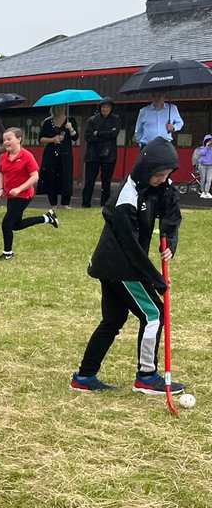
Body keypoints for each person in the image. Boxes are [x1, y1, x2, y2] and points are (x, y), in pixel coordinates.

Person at [71, 137, 184, 396]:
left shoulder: (161, 185)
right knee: (154, 313)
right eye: (158, 175)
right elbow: (131, 248)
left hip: (122, 264)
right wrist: (157, 280)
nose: (162, 180)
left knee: (113, 320)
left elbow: (172, 212)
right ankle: (147, 376)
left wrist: (170, 241)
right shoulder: (126, 198)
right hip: (118, 264)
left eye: (166, 175)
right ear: (146, 169)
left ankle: (84, 377)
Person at [0, 128, 58, 261]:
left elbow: (35, 177)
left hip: (24, 195)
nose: (6, 142)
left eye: (9, 139)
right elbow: (1, 173)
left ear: (19, 139)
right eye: (4, 140)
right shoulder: (3, 157)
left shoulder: (27, 156)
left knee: (6, 223)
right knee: (16, 225)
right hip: (11, 195)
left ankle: (8, 253)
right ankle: (47, 218)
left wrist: (19, 189)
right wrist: (0, 189)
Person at [82, 98, 122, 208]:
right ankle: (86, 203)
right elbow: (88, 136)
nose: (105, 109)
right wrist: (105, 135)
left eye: (107, 107)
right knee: (90, 180)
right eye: (103, 107)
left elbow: (114, 134)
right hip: (93, 153)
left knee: (106, 181)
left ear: (111, 108)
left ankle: (105, 204)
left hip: (109, 154)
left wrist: (98, 133)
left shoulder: (116, 119)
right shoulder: (92, 120)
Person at [39, 105, 79, 211]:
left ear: (65, 108)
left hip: (65, 154)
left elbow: (75, 137)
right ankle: (53, 204)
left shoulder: (70, 120)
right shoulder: (48, 122)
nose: (59, 109)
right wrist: (52, 140)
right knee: (51, 177)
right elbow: (41, 139)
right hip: (51, 154)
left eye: (62, 107)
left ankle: (65, 203)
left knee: (66, 177)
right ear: (54, 109)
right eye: (57, 107)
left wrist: (70, 129)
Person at [198, 134, 212, 199]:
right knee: (203, 179)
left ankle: (207, 192)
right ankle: (202, 192)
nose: (210, 142)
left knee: (209, 179)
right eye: (208, 140)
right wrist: (207, 146)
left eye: (210, 140)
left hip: (210, 166)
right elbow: (202, 153)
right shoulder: (202, 148)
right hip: (202, 165)